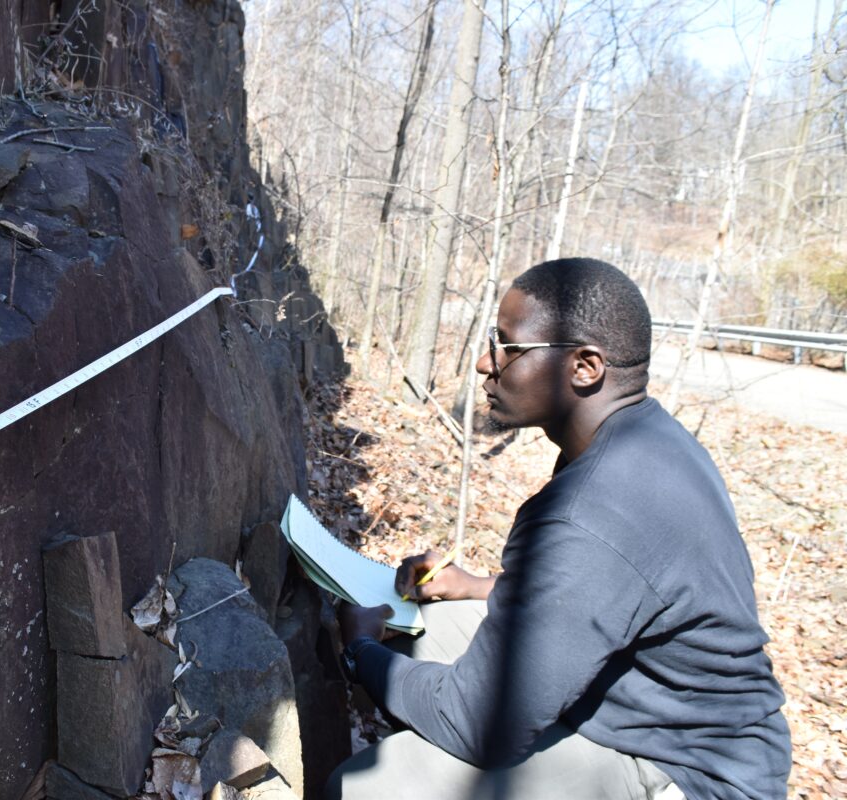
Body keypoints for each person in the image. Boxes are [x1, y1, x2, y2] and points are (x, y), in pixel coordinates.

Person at [328, 258, 790, 800]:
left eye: (508, 347)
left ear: (585, 367)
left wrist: (360, 651)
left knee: (375, 785)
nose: (484, 363)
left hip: (690, 772)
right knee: (424, 627)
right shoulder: (649, 439)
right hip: (650, 713)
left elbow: (479, 726)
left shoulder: (594, 509)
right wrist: (477, 586)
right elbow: (612, 595)